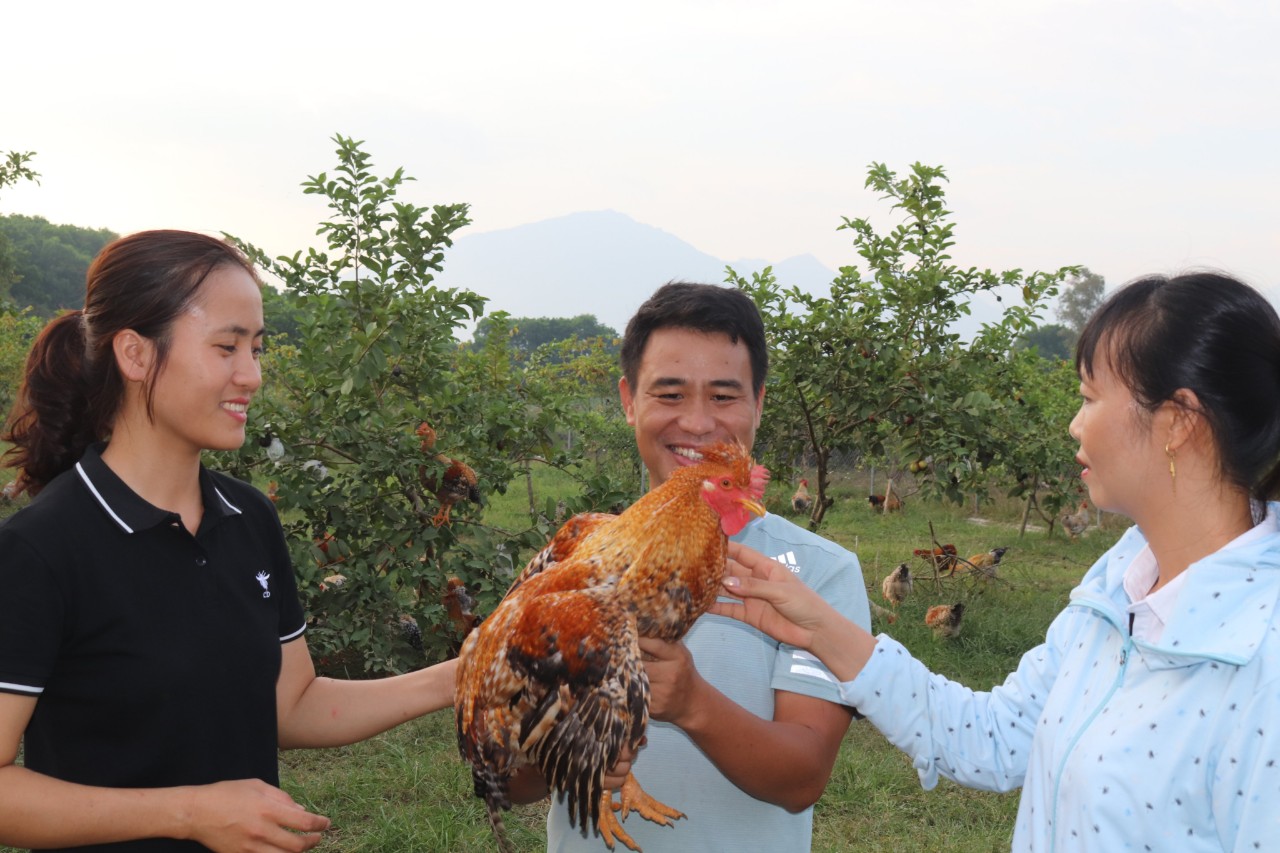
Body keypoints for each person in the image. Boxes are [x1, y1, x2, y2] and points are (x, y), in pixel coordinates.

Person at [714, 271, 1280, 851]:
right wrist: (819, 626)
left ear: (1178, 422)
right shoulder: (1118, 585)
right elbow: (995, 736)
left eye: (1088, 398)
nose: (1073, 423)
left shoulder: (1262, 654)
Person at [0, 230, 457, 852]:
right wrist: (190, 814)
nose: (253, 375)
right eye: (226, 347)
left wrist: (461, 676)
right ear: (134, 355)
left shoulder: (247, 517)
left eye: (258, 348)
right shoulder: (42, 548)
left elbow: (289, 705)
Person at [512, 281, 872, 851]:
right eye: (671, 394)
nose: (699, 424)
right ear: (630, 400)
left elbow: (802, 778)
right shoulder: (573, 561)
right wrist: (565, 739)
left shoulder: (820, 575)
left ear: (759, 402)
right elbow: (511, 782)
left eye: (725, 396)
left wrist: (691, 702)